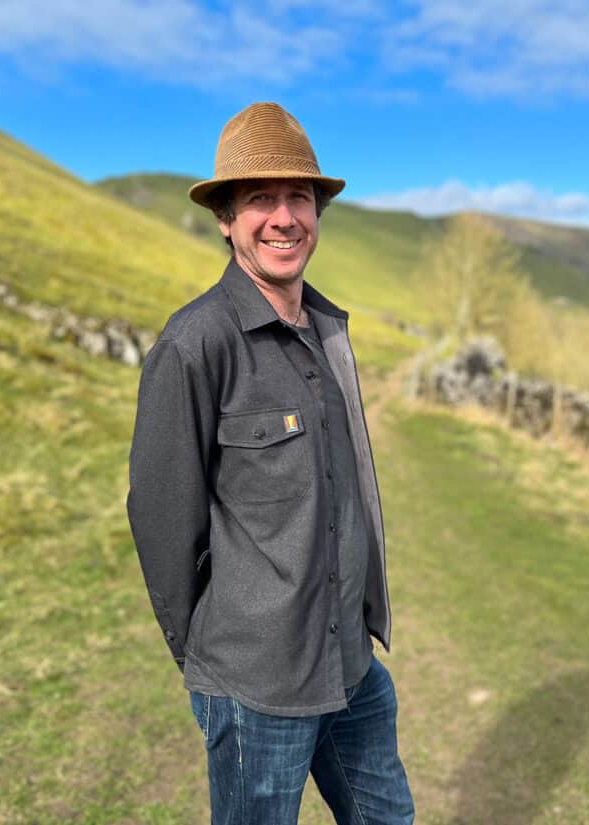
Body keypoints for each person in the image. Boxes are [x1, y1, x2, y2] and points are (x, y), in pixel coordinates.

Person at [126, 102, 415, 825]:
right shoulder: (196, 344)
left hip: (351, 665)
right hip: (257, 686)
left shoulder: (328, 329)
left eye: (300, 197)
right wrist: (212, 664)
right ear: (225, 218)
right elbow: (163, 522)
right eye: (260, 198)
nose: (284, 217)